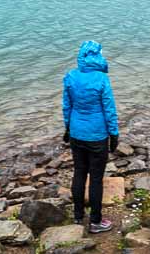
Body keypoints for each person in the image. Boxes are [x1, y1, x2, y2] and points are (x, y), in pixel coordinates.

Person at [61, 40, 119, 233]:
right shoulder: (102, 79)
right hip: (97, 136)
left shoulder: (70, 76)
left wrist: (68, 129)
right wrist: (114, 134)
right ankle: (95, 222)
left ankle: (78, 217)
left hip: (77, 133)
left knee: (79, 172)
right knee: (95, 178)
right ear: (97, 57)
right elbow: (109, 110)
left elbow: (67, 106)